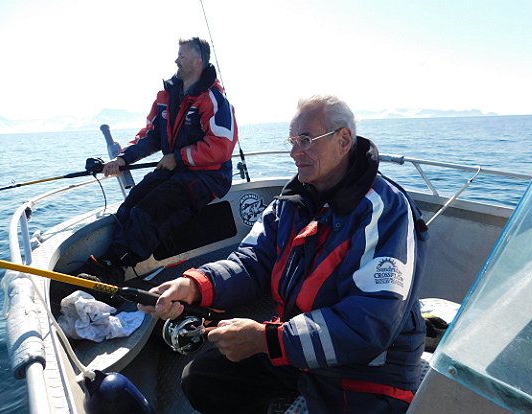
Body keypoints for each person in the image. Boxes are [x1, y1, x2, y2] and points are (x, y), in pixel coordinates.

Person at [139, 95, 428, 413]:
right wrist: (194, 285)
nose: (294, 152)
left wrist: (267, 340)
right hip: (296, 346)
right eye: (292, 141)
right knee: (202, 377)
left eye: (306, 140)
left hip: (367, 373)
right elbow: (252, 263)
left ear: (344, 140)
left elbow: (368, 326)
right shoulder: (293, 201)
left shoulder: (385, 209)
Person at [89, 36, 238, 282]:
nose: (176, 61)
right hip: (175, 171)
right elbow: (151, 135)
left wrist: (178, 157)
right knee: (132, 202)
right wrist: (123, 159)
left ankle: (115, 268)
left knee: (152, 207)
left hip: (209, 177)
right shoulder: (167, 96)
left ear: (197, 62)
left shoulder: (213, 99)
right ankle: (109, 261)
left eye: (181, 56)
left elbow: (221, 146)